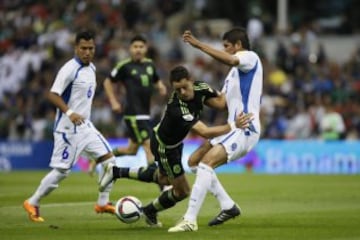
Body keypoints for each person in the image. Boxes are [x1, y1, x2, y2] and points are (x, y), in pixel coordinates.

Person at [99, 65, 253, 227]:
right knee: (182, 191)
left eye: (185, 87)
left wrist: (238, 93)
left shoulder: (201, 86)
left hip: (176, 143)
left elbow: (221, 103)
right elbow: (205, 132)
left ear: (191, 81)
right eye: (178, 90)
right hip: (164, 146)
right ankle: (149, 209)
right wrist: (233, 125)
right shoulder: (177, 107)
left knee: (162, 177)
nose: (183, 93)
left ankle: (116, 172)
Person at [168, 27, 263, 232]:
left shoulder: (249, 57)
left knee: (205, 164)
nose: (225, 50)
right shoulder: (233, 74)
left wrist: (198, 44)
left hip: (245, 127)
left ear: (238, 46)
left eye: (227, 46)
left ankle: (190, 219)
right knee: (194, 163)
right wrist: (194, 94)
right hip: (233, 127)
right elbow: (221, 103)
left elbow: (230, 60)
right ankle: (228, 206)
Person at [23, 30, 117, 222]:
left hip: (86, 127)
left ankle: (102, 202)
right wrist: (70, 112)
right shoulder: (69, 69)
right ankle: (33, 202)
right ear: (76, 48)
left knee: (109, 160)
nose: (87, 52)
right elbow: (53, 94)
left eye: (91, 48)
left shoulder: (92, 69)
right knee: (61, 172)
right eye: (83, 48)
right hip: (68, 129)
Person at [102, 34, 167, 168]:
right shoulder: (124, 66)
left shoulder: (150, 64)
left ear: (146, 48)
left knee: (131, 150)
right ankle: (160, 183)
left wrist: (160, 86)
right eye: (135, 47)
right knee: (149, 146)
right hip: (134, 113)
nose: (138, 49)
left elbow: (155, 79)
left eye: (141, 47)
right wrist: (113, 101)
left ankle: (101, 158)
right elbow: (108, 82)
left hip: (145, 113)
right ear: (130, 49)